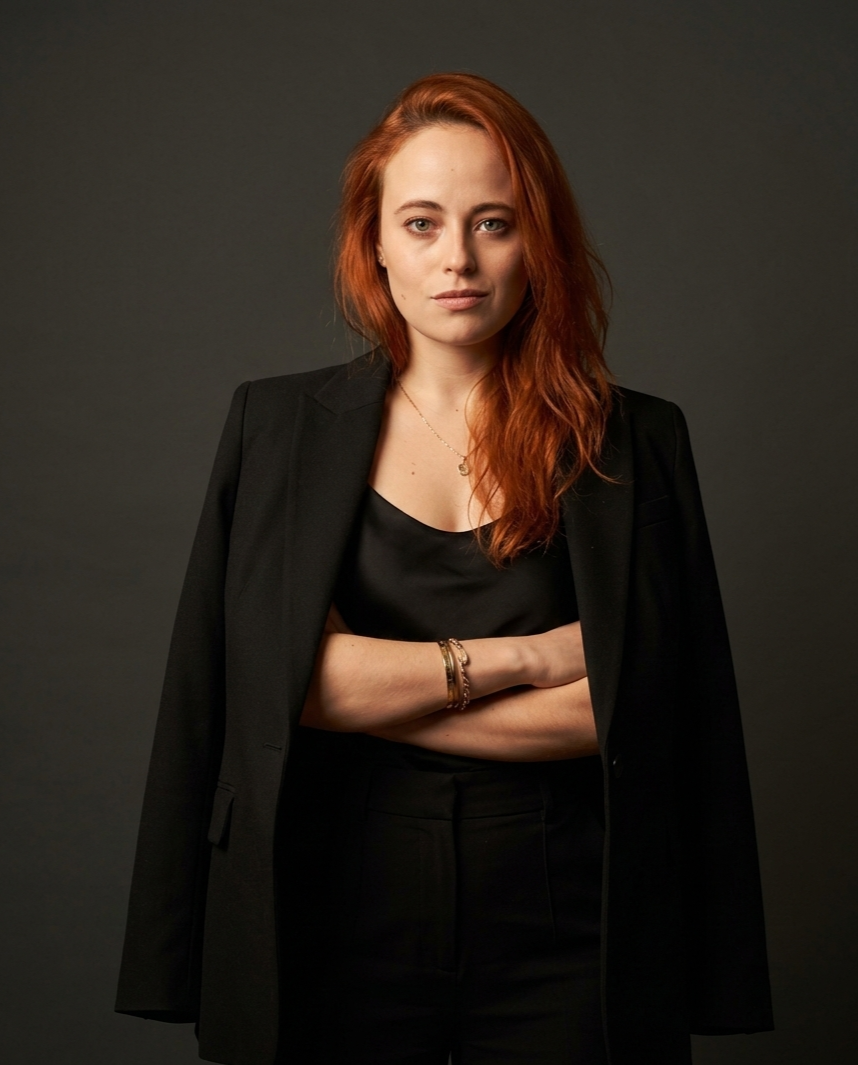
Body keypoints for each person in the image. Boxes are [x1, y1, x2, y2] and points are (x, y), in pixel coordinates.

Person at [115, 73, 773, 1065]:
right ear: (372, 240)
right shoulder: (277, 428)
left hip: (575, 932)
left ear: (535, 241)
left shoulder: (635, 441)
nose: (456, 259)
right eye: (421, 224)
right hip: (331, 913)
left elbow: (638, 711)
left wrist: (372, 687)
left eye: (493, 223)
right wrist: (535, 660)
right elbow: (267, 688)